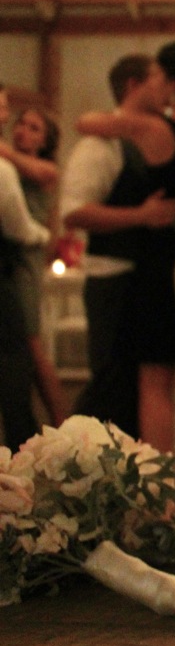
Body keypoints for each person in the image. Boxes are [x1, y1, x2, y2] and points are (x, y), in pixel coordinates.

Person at [74, 42, 175, 452]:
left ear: (174, 83)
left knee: (155, 379)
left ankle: (159, 478)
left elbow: (86, 121)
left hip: (158, 261)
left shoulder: (154, 128)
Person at [62, 55, 175, 437]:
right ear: (133, 85)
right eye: (158, 77)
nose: (166, 86)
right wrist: (142, 215)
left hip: (142, 278)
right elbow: (74, 212)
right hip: (112, 277)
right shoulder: (100, 146)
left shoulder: (154, 135)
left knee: (132, 389)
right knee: (112, 386)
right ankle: (72, 456)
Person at [1, 105, 68, 424]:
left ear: (45, 141)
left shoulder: (46, 169)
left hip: (27, 258)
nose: (23, 131)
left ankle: (62, 421)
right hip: (10, 254)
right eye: (21, 124)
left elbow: (36, 173)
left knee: (31, 342)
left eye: (34, 128)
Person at [0, 138, 49, 447]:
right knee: (15, 361)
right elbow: (18, 228)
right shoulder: (3, 169)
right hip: (7, 271)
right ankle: (23, 449)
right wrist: (43, 235)